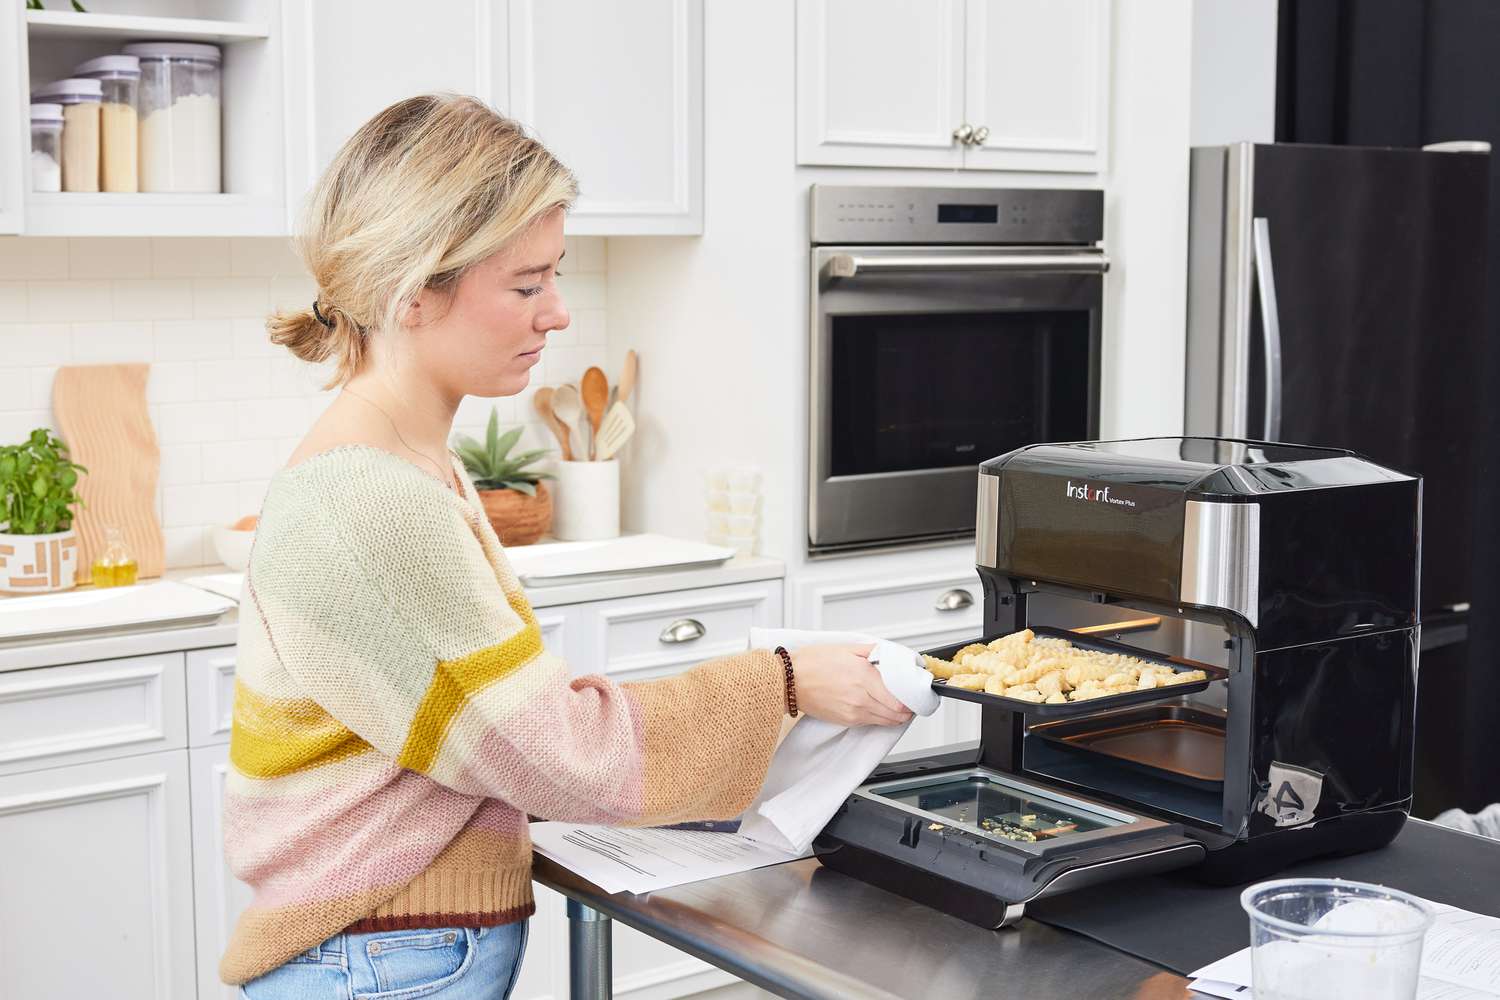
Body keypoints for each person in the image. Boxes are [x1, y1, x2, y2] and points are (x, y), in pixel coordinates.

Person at [222, 94, 913, 999]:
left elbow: (503, 728)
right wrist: (783, 681)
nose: (556, 313)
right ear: (414, 288)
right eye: (527, 283)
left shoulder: (412, 460)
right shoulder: (369, 503)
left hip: (388, 954)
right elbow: (552, 753)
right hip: (382, 964)